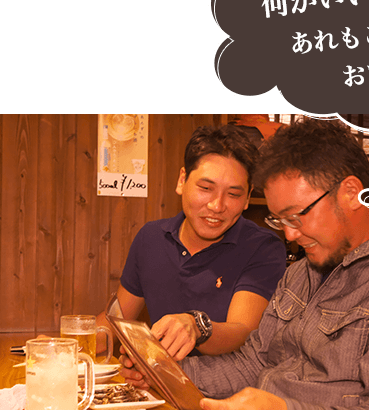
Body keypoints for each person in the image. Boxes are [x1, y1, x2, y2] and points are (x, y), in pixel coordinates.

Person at [122, 118, 369, 409]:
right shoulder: (303, 272)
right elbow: (252, 364)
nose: (289, 235)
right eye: (280, 220)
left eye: (297, 216)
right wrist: (164, 371)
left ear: (350, 193)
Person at [97, 124, 287, 361]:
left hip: (226, 383)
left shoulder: (263, 247)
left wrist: (197, 326)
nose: (217, 206)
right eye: (206, 188)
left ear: (248, 198)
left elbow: (242, 332)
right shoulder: (150, 238)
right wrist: (68, 347)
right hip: (159, 377)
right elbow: (115, 320)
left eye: (234, 194)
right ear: (182, 180)